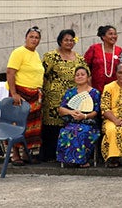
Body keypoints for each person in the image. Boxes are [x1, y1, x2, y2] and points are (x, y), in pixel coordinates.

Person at [41, 29, 87, 161]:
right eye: (66, 40)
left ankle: (67, 154)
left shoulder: (79, 58)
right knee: (52, 126)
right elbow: (42, 74)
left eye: (71, 40)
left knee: (69, 124)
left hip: (73, 97)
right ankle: (49, 155)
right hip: (53, 97)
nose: (69, 42)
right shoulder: (51, 56)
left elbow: (86, 75)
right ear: (60, 41)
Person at [54, 66, 102, 168]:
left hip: (88, 123)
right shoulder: (70, 92)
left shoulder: (95, 93)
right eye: (77, 75)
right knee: (66, 131)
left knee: (81, 131)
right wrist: (71, 112)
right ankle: (68, 159)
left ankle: (82, 160)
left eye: (82, 74)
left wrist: (84, 116)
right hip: (72, 121)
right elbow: (61, 109)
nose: (80, 77)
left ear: (88, 77)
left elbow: (96, 112)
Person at [84, 25, 122, 94]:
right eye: (110, 34)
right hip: (96, 89)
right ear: (103, 36)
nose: (113, 36)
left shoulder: (119, 50)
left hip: (114, 89)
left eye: (115, 34)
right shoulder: (94, 48)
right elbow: (85, 66)